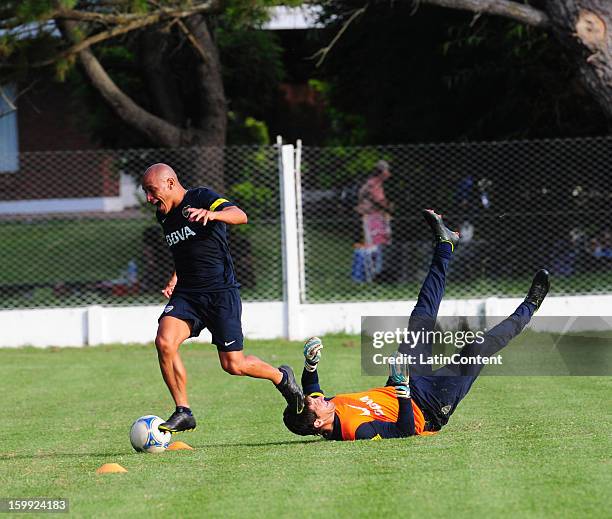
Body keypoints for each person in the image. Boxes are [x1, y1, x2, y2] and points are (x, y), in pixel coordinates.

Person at [283, 209, 550, 440]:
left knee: (422, 315)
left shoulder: (323, 410)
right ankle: (530, 306)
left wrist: (311, 364)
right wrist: (402, 389)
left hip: (402, 383)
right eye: (315, 404)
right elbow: (405, 431)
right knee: (476, 350)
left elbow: (311, 386)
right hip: (429, 406)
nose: (319, 398)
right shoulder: (355, 430)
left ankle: (445, 243)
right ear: (319, 423)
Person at [141, 163, 303, 434]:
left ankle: (281, 377)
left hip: (220, 293)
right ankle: (184, 411)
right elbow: (187, 250)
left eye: (151, 190)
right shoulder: (164, 215)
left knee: (234, 364)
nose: (149, 198)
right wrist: (175, 277)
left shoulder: (201, 197)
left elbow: (240, 215)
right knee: (164, 341)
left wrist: (212, 214)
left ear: (170, 184)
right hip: (188, 295)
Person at [354, 160, 393, 279]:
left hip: (371, 216)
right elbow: (378, 201)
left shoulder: (372, 183)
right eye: (387, 170)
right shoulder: (374, 184)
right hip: (373, 217)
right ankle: (374, 273)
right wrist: (389, 207)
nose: (389, 173)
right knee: (376, 245)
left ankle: (372, 272)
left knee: (374, 244)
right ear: (382, 172)